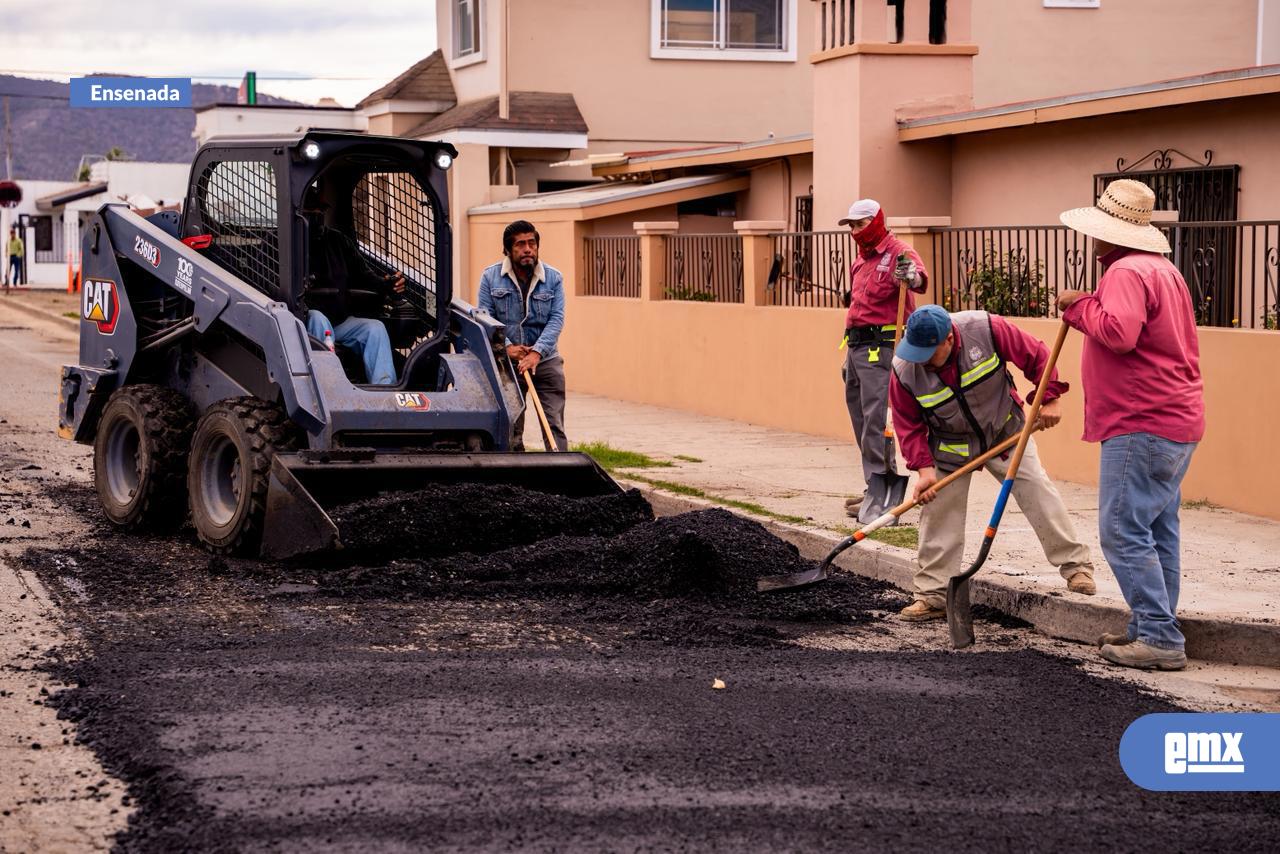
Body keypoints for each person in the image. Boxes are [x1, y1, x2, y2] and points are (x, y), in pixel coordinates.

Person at [1057, 179, 1204, 672]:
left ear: (1110, 233)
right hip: (1176, 419)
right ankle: (1151, 625)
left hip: (1140, 420)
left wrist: (1077, 306)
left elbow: (1120, 334)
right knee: (1157, 529)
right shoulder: (1164, 270)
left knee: (1121, 529)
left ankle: (1160, 637)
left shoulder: (1125, 272)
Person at [889, 304, 1098, 622]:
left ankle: (1077, 568)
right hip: (950, 448)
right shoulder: (904, 369)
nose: (921, 362)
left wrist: (1050, 398)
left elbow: (1038, 356)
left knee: (1037, 491)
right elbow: (908, 423)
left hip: (1004, 432)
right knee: (939, 513)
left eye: (928, 354)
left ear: (949, 339)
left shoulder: (986, 329)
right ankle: (933, 596)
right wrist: (924, 470)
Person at [839, 199, 928, 520]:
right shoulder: (859, 261)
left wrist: (912, 277)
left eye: (860, 224)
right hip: (856, 347)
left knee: (877, 422)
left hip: (883, 346)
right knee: (861, 421)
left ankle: (885, 490)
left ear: (876, 222)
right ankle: (873, 487)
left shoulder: (898, 252)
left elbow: (918, 277)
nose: (854, 231)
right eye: (851, 226)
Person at [477, 220, 568, 451]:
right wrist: (508, 348)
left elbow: (556, 319)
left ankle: (559, 469)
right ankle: (516, 475)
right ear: (508, 250)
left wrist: (537, 352)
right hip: (508, 363)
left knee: (554, 424)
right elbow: (485, 318)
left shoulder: (554, 278)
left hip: (545, 360)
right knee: (512, 427)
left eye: (532, 243)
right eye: (520, 244)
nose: (528, 249)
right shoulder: (490, 278)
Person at [300, 195, 403, 386]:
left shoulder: (338, 241)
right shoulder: (282, 240)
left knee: (375, 329)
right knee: (317, 318)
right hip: (302, 321)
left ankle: (385, 390)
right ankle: (329, 386)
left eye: (320, 212)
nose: (317, 216)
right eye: (311, 212)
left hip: (339, 321)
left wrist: (387, 284)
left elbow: (364, 275)